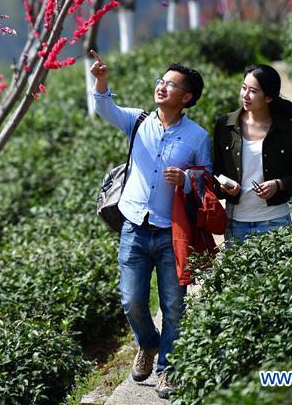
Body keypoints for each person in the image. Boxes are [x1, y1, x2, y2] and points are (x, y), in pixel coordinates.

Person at [89, 52, 212, 400]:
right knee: (132, 301)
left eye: (170, 84)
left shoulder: (197, 136)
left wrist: (187, 179)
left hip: (172, 233)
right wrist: (100, 80)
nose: (161, 86)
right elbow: (104, 108)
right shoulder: (139, 121)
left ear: (186, 97)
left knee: (174, 305)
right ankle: (149, 343)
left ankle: (167, 369)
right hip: (135, 227)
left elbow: (206, 180)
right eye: (161, 80)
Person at [213, 64, 292, 245]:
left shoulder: (289, 130)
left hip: (275, 222)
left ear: (269, 97)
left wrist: (278, 185)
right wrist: (224, 187)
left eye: (253, 91)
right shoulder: (225, 126)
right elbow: (215, 172)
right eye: (243, 87)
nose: (245, 95)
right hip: (235, 223)